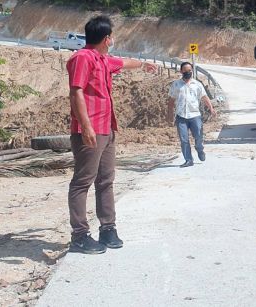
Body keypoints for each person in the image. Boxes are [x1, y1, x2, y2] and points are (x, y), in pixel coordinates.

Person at [67, 15, 156, 254]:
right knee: (82, 181)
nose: (113, 40)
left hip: (107, 128)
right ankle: (79, 235)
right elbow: (75, 93)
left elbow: (123, 63)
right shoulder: (82, 58)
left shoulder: (103, 59)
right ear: (107, 39)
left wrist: (143, 64)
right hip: (90, 130)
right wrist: (86, 127)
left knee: (106, 180)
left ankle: (108, 228)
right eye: (112, 37)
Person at [168, 62, 216, 168]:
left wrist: (211, 109)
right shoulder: (176, 84)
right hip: (181, 116)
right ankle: (188, 160)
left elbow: (204, 97)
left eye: (190, 71)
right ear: (181, 71)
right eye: (185, 71)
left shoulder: (197, 85)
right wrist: (170, 115)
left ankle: (199, 149)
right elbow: (171, 101)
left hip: (195, 115)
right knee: (184, 140)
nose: (188, 73)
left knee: (198, 136)